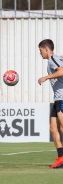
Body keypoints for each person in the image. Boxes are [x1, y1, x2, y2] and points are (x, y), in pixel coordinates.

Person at [38, 39, 63, 168]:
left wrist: (46, 77)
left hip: (62, 98)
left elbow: (62, 71)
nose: (40, 53)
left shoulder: (53, 59)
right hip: (57, 98)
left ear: (47, 49)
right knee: (53, 128)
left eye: (41, 50)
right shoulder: (56, 58)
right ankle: (61, 158)